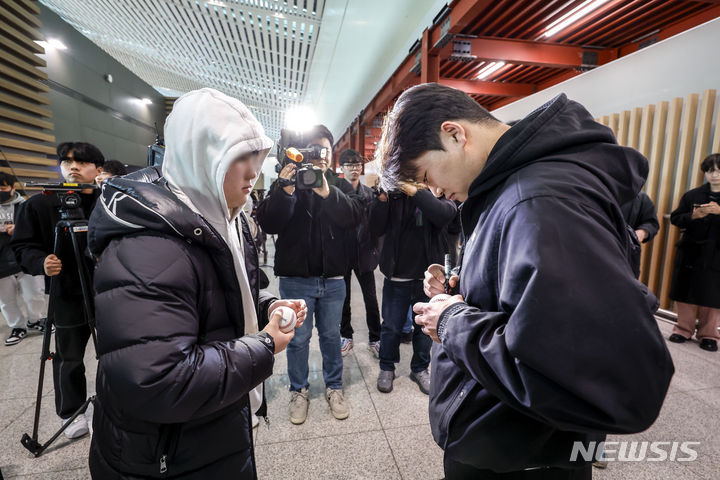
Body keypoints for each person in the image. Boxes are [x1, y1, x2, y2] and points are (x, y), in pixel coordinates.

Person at [375, 83, 674, 479]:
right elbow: (531, 303)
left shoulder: (538, 201)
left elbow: (577, 365)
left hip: (520, 451)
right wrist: (461, 290)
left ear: (454, 133)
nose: (435, 191)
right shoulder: (512, 187)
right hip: (510, 436)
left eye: (426, 174)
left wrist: (452, 322)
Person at [87, 88, 307, 479]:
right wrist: (266, 343)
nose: (253, 173)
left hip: (209, 431)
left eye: (257, 159)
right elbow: (159, 380)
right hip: (164, 455)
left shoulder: (223, 219)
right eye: (239, 158)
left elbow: (225, 295)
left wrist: (266, 307)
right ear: (201, 157)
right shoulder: (148, 247)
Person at [257, 125, 361, 425]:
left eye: (325, 150)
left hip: (333, 280)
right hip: (295, 278)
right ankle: (299, 389)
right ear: (303, 152)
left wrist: (326, 192)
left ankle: (334, 386)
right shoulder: (289, 183)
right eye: (314, 150)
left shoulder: (339, 185)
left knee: (331, 337)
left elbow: (353, 217)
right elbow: (269, 222)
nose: (320, 156)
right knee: (298, 339)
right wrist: (285, 189)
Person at [11, 142, 104, 439]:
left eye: (81, 162)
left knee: (116, 351)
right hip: (67, 293)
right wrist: (41, 261)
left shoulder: (111, 202)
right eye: (66, 162)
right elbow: (22, 247)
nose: (72, 166)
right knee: (69, 356)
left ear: (98, 170)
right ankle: (71, 411)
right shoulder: (39, 205)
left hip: (110, 290)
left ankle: (114, 401)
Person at [370, 178, 456, 394]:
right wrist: (381, 199)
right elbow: (376, 227)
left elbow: (444, 214)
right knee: (390, 326)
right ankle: (386, 367)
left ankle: (419, 368)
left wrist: (415, 191)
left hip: (427, 278)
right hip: (397, 274)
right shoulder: (394, 196)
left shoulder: (439, 192)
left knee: (424, 327)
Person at [668, 153, 720, 352]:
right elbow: (675, 218)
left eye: (717, 170)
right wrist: (693, 216)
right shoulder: (692, 195)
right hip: (691, 250)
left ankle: (709, 334)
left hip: (717, 253)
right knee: (685, 292)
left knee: (713, 295)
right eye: (709, 170)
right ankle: (683, 329)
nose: (714, 175)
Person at [337, 149, 381, 358]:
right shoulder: (336, 193)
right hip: (343, 253)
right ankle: (346, 336)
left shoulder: (370, 194)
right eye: (349, 165)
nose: (354, 169)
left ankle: (375, 337)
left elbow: (376, 224)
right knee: (343, 299)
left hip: (364, 252)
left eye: (357, 165)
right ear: (342, 168)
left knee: (370, 298)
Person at [0, 173, 46, 346]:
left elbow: (39, 228)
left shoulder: (26, 206)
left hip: (26, 259)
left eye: (3, 188)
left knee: (35, 294)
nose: (0, 191)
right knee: (6, 300)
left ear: (12, 188)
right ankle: (17, 326)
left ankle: (35, 320)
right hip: (2, 264)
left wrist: (18, 228)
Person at [621, 191, 659, 277]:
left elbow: (652, 223)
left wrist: (642, 232)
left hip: (627, 254)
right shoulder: (595, 190)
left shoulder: (640, 197)